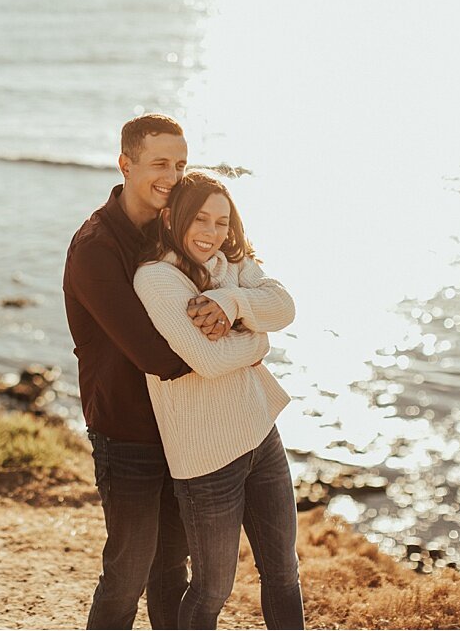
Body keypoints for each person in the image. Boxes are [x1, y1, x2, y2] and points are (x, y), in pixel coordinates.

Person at [63, 114, 237, 628]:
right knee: (128, 572)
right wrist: (242, 342)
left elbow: (243, 277)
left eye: (181, 164)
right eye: (159, 163)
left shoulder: (177, 230)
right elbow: (156, 356)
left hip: (182, 428)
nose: (172, 175)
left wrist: (231, 303)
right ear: (126, 164)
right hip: (128, 433)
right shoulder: (95, 248)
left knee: (172, 571)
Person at [134, 170, 304, 630]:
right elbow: (208, 359)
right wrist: (259, 343)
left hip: (260, 433)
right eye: (201, 220)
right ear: (172, 218)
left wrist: (231, 304)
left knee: (284, 571)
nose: (212, 233)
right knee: (212, 590)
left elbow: (283, 306)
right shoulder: (156, 279)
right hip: (206, 458)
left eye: (222, 222)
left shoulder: (230, 263)